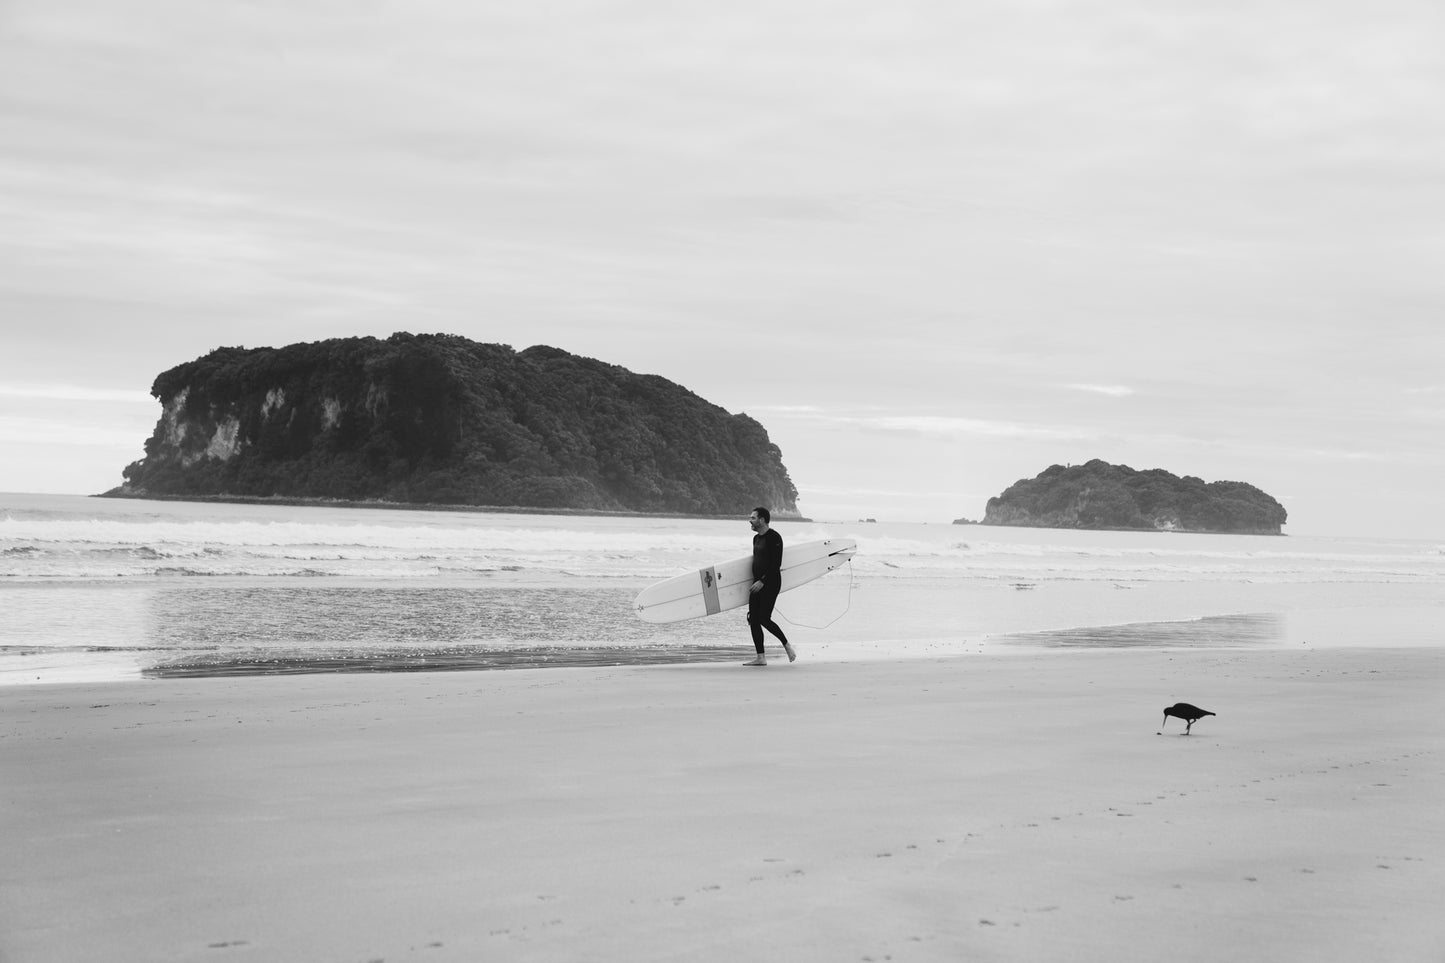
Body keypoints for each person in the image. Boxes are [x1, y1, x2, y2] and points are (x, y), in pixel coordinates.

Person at [743, 506, 795, 666]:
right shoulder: (756, 539)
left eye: (753, 517)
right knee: (753, 619)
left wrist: (762, 581)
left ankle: (787, 645)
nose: (750, 520)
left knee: (764, 619)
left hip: (770, 583)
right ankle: (760, 657)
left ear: (762, 520)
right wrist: (755, 581)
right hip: (757, 583)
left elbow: (775, 564)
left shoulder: (774, 537)